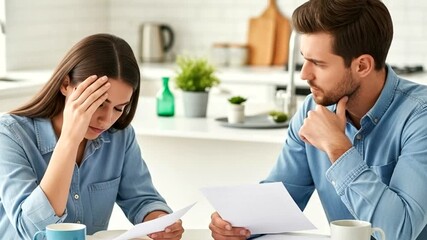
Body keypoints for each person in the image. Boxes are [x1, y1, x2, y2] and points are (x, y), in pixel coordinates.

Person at [209, 0, 427, 239]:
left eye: (318, 63)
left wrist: (338, 149)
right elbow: (277, 207)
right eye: (304, 59)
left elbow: (400, 233)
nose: (304, 74)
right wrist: (238, 224)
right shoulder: (311, 111)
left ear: (362, 65)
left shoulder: (419, 116)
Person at [0, 33, 184, 240]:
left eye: (118, 108)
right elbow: (32, 231)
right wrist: (70, 140)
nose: (106, 120)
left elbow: (142, 199)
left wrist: (159, 221)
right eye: (98, 103)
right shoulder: (9, 135)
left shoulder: (119, 136)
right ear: (65, 84)